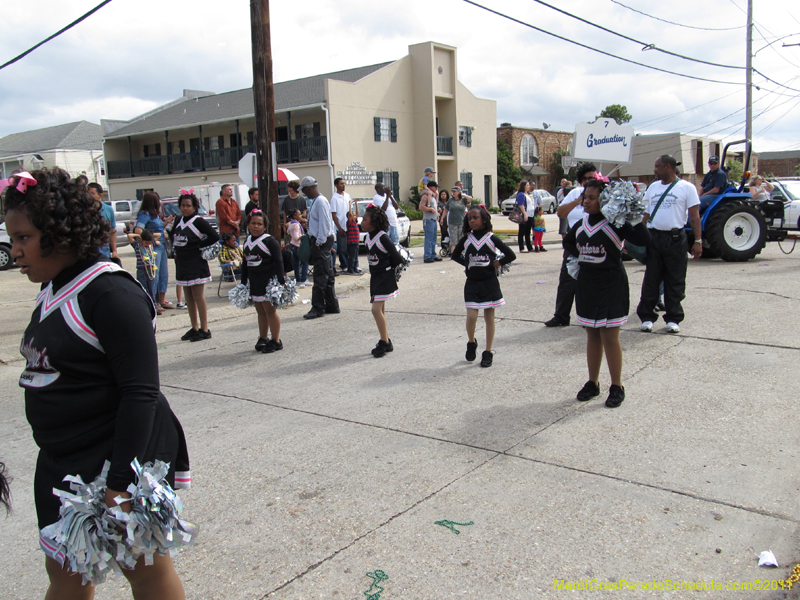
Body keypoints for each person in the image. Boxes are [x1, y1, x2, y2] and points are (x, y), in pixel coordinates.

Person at [5, 167, 190, 599]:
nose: (14, 251)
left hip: (116, 456)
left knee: (145, 570)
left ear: (60, 234)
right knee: (67, 570)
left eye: (24, 238)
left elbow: (141, 393)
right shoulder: (53, 288)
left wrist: (120, 482)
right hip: (64, 460)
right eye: (12, 238)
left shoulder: (111, 294)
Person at [562, 179, 651, 408]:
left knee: (610, 337)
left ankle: (617, 386)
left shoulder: (615, 224)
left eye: (592, 198)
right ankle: (593, 383)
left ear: (605, 200)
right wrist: (582, 257)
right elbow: (569, 243)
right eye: (585, 197)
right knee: (592, 335)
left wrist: (630, 213)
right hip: (587, 285)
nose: (586, 202)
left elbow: (644, 239)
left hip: (611, 284)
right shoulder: (581, 224)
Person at [637, 155, 702, 334]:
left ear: (667, 166)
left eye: (657, 166)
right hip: (654, 237)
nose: (654, 170)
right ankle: (647, 317)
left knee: (675, 280)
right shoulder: (653, 187)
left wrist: (698, 241)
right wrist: (637, 235)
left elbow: (694, 216)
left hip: (675, 239)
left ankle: (673, 319)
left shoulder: (687, 188)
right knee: (651, 279)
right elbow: (645, 214)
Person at [451, 206, 516, 368]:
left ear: (484, 220)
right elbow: (455, 255)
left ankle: (488, 351)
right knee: (471, 316)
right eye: (469, 218)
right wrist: (467, 264)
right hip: (472, 283)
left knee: (489, 318)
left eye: (475, 218)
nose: (472, 221)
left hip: (489, 283)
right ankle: (471, 341)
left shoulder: (491, 238)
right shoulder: (467, 239)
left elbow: (511, 255)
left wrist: (497, 263)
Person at [545, 162, 597, 327]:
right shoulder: (575, 193)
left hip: (595, 243)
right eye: (585, 179)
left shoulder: (601, 194)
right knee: (567, 281)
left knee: (591, 283)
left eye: (591, 178)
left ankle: (590, 317)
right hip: (575, 244)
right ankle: (561, 316)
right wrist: (578, 200)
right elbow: (561, 212)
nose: (588, 181)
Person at [170, 192, 220, 341]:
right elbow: (173, 237)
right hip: (182, 263)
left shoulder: (198, 221)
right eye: (182, 205)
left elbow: (214, 236)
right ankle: (195, 327)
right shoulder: (178, 220)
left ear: (194, 207)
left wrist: (199, 245)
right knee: (188, 297)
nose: (185, 208)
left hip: (196, 262)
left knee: (198, 296)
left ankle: (205, 329)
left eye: (188, 206)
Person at [362, 204, 404, 358]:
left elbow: (397, 258)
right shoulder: (367, 238)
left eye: (365, 219)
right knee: (381, 310)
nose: (362, 222)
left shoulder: (382, 237)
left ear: (373, 222)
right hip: (375, 277)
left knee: (375, 310)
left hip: (384, 277)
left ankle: (384, 342)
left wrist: (388, 270)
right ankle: (386, 340)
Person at [241, 210, 285, 353]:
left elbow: (278, 260)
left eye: (259, 224)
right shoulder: (247, 241)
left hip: (268, 281)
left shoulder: (269, 241)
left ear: (265, 226)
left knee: (270, 310)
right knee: (260, 310)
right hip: (254, 281)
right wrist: (243, 281)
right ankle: (263, 337)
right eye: (253, 223)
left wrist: (281, 280)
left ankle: (276, 340)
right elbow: (245, 262)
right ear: (248, 224)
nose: (256, 226)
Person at [302, 176, 339, 319]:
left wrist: (319, 242)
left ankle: (317, 307)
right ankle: (331, 304)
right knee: (327, 274)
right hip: (322, 241)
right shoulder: (317, 201)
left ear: (309, 188)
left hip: (321, 242)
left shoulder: (320, 202)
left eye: (305, 190)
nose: (304, 193)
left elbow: (325, 224)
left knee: (320, 276)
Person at [134, 191, 175, 310]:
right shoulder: (144, 214)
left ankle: (161, 300)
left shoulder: (155, 215)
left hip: (162, 246)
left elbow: (157, 228)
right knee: (153, 275)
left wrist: (166, 222)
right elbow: (138, 230)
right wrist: (151, 240)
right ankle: (154, 302)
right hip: (154, 247)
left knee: (163, 274)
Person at [126, 228, 162, 314]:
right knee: (144, 288)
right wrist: (139, 235)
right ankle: (145, 306)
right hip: (142, 270)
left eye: (149, 243)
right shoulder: (137, 245)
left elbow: (159, 235)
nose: (148, 244)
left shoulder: (150, 245)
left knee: (152, 288)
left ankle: (153, 306)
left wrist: (150, 235)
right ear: (142, 240)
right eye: (146, 243)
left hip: (151, 270)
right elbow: (129, 236)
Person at [87, 183, 118, 263]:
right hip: (89, 253)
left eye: (92, 193)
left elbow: (112, 231)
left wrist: (114, 250)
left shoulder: (108, 210)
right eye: (87, 193)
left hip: (104, 253)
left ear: (100, 195)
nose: (89, 196)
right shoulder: (85, 210)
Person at [330, 177, 352, 273]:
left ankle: (352, 264)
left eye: (344, 183)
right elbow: (334, 214)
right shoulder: (334, 198)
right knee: (342, 248)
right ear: (336, 185)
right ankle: (344, 264)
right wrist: (339, 228)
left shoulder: (347, 196)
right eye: (341, 184)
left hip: (349, 225)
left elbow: (350, 210)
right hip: (341, 226)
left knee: (351, 247)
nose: (343, 185)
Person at [286, 209, 309, 287]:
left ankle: (298, 279)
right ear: (295, 216)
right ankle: (303, 279)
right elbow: (296, 237)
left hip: (292, 245)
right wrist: (304, 237)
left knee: (296, 263)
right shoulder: (296, 225)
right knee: (305, 262)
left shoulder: (291, 223)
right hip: (297, 245)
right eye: (299, 214)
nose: (301, 215)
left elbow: (288, 232)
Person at [441, 186, 469, 251]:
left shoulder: (463, 200)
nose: (453, 193)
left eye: (454, 191)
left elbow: (470, 198)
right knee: (453, 240)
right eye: (452, 191)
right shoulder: (450, 200)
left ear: (458, 192)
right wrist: (442, 218)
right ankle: (453, 253)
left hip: (461, 222)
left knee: (461, 239)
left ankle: (461, 253)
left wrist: (462, 195)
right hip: (452, 222)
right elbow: (446, 210)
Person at [419, 180, 441, 263]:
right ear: (431, 187)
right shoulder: (425, 196)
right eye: (435, 187)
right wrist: (430, 209)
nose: (436, 189)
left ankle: (433, 255)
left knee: (434, 239)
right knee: (429, 239)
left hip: (434, 220)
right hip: (428, 220)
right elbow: (421, 207)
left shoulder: (433, 197)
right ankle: (427, 256)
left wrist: (437, 210)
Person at [515, 180, 534, 252]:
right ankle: (521, 248)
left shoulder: (528, 194)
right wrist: (525, 214)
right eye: (527, 185)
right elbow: (521, 205)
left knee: (528, 232)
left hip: (530, 215)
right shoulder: (521, 194)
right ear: (524, 186)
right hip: (524, 215)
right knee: (522, 231)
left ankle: (529, 247)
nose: (529, 186)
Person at [346, 205, 362, 275]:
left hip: (356, 242)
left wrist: (356, 204)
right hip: (352, 242)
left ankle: (355, 268)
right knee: (352, 257)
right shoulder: (349, 223)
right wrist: (350, 206)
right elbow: (350, 214)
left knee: (356, 256)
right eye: (353, 215)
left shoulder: (355, 222)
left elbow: (358, 213)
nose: (355, 216)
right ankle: (350, 269)